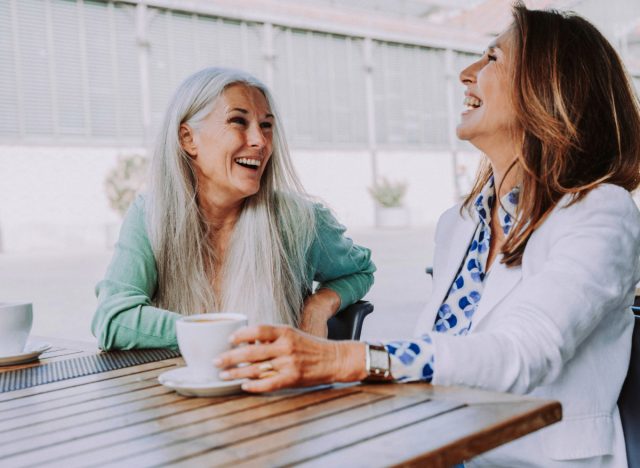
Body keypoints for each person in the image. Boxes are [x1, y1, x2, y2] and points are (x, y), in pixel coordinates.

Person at [215, 4, 640, 466]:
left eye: (493, 59)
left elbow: (523, 352)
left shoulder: (600, 213)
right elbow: (438, 352)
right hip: (442, 450)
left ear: (548, 87)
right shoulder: (458, 223)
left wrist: (341, 359)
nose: (466, 72)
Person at [92, 67, 375, 350]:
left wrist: (319, 305)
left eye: (266, 126)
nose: (260, 141)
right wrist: (218, 336)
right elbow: (113, 318)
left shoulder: (299, 220)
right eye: (238, 121)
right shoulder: (150, 215)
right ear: (188, 139)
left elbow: (360, 270)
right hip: (175, 388)